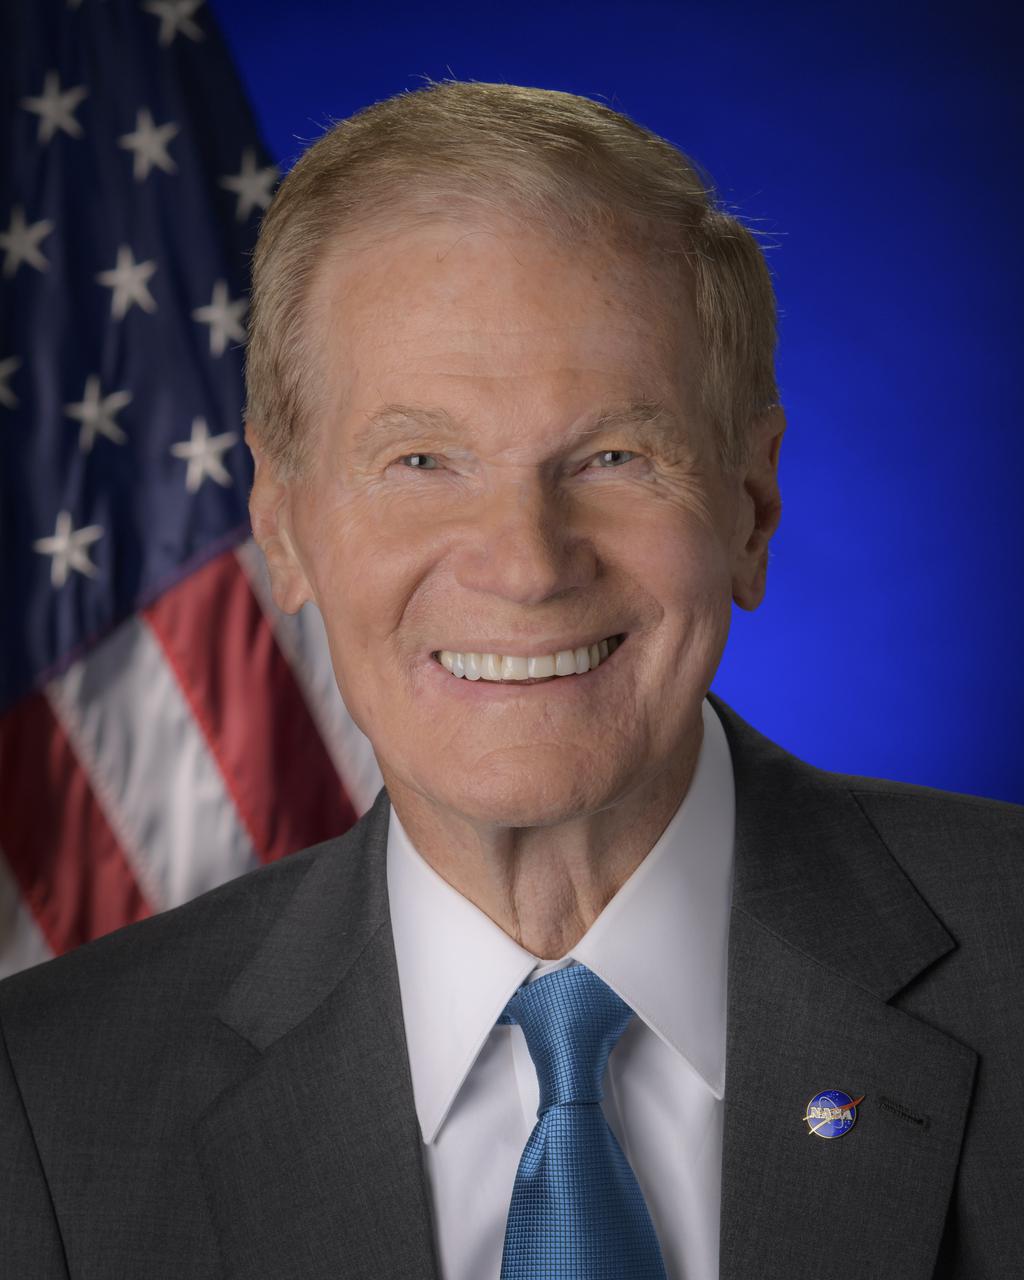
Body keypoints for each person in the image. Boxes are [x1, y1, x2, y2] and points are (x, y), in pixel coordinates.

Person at [1, 81, 1021, 1280]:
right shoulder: (49, 1098)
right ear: (280, 525)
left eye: (612, 455)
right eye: (420, 458)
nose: (527, 565)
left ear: (750, 503)